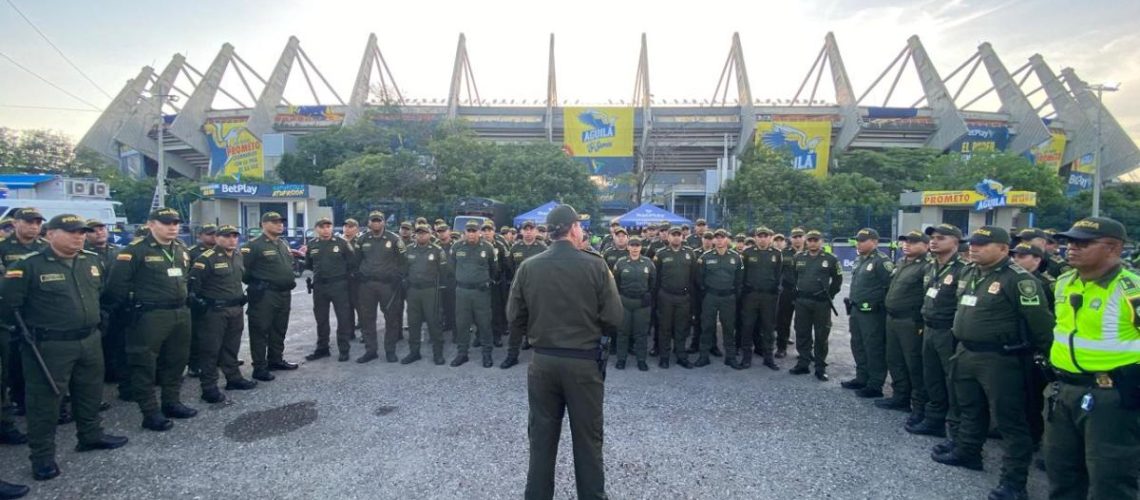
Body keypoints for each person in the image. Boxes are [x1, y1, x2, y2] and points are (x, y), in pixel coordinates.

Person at [507, 204, 622, 500]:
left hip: (543, 363)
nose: (581, 230)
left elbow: (514, 317)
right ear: (572, 228)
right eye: (580, 226)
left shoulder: (529, 266)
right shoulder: (595, 264)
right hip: (583, 366)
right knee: (588, 441)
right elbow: (613, 318)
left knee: (541, 440)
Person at [2, 214, 129, 481]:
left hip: (89, 340)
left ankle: (90, 435)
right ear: (50, 234)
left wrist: (100, 319)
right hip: (50, 345)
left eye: (81, 232)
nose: (78, 236)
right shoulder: (29, 266)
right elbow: (9, 307)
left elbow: (102, 295)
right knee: (45, 403)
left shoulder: (90, 261)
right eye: (71, 231)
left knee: (90, 392)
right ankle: (43, 457)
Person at [931, 226, 1053, 500]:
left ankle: (1014, 482)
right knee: (969, 407)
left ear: (1002, 248)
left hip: (1000, 358)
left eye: (982, 244)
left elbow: (1041, 325)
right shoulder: (971, 271)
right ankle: (968, 452)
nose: (973, 247)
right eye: (972, 243)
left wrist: (1049, 361)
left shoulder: (1018, 280)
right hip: (966, 351)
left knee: (1010, 420)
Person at [1045, 217, 1140, 500]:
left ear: (1113, 248)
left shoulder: (1130, 289)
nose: (1071, 248)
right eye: (1069, 242)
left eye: (1082, 243)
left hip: (1110, 395)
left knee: (1110, 478)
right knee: (1061, 472)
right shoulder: (1065, 282)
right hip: (1063, 390)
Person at [106, 207, 196, 432]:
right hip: (149, 315)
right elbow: (116, 286)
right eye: (166, 223)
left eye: (175, 223)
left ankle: (171, 402)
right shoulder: (135, 251)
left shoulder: (180, 249)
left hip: (179, 312)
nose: (173, 227)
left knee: (177, 360)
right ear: (151, 224)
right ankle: (150, 411)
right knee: (144, 363)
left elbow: (186, 277)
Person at [187, 225, 257, 403]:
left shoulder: (238, 255)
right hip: (214, 311)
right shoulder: (206, 259)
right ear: (217, 238)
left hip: (235, 309)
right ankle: (209, 387)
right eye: (227, 236)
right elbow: (194, 287)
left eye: (235, 236)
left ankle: (233, 378)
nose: (232, 239)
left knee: (231, 347)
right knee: (210, 350)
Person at [908, 224, 965, 442]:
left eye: (941, 238)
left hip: (948, 332)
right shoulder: (932, 267)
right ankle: (934, 419)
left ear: (955, 243)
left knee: (953, 381)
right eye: (932, 238)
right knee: (931, 377)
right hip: (930, 328)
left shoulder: (963, 269)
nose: (934, 241)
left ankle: (956, 432)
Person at [0, 208, 47, 436]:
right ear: (15, 223)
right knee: (8, 366)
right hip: (9, 315)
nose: (34, 226)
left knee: (33, 362)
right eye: (29, 222)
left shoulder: (45, 248)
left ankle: (29, 404)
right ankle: (8, 413)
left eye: (38, 222)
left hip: (36, 315)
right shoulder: (3, 248)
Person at [878, 231, 931, 429]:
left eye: (913, 242)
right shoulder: (902, 263)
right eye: (905, 242)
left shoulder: (927, 266)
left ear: (925, 246)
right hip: (893, 319)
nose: (907, 245)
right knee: (895, 360)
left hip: (911, 321)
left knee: (914, 364)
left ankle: (919, 407)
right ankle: (900, 397)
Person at [240, 212, 299, 380]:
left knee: (279, 328)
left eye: (281, 222)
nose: (280, 225)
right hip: (264, 294)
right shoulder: (253, 246)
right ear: (263, 224)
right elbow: (243, 271)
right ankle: (259, 367)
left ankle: (275, 359)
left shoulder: (283, 243)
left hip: (283, 293)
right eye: (274, 222)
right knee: (260, 330)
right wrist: (260, 284)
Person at [844, 228, 892, 395]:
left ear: (875, 242)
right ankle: (862, 377)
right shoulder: (859, 260)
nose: (859, 243)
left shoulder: (881, 261)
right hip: (857, 310)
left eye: (863, 240)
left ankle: (875, 384)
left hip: (873, 313)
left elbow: (889, 287)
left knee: (874, 348)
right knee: (858, 345)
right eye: (858, 240)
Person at [353, 211, 405, 363]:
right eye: (373, 221)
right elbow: (355, 261)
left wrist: (398, 276)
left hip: (387, 285)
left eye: (379, 220)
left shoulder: (394, 239)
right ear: (369, 223)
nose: (376, 223)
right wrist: (358, 275)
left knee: (391, 318)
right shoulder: (362, 239)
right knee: (367, 318)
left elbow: (404, 261)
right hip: (367, 285)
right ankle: (371, 350)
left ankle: (390, 350)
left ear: (383, 222)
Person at [789, 230, 842, 381]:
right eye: (810, 240)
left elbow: (837, 280)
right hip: (802, 302)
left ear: (821, 241)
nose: (813, 242)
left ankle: (820, 367)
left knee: (821, 335)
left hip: (821, 303)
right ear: (806, 241)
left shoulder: (830, 259)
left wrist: (829, 295)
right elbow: (794, 276)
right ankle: (803, 363)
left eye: (816, 240)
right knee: (802, 332)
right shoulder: (798, 257)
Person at [303, 217, 357, 363]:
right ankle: (322, 349)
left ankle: (344, 349)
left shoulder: (341, 243)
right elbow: (308, 265)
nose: (325, 229)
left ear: (332, 228)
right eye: (322, 227)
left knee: (343, 318)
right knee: (321, 319)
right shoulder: (312, 244)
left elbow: (353, 263)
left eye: (328, 226)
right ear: (316, 229)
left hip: (339, 285)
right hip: (320, 286)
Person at [450, 220, 498, 367]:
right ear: (465, 233)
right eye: (469, 231)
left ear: (479, 232)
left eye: (474, 231)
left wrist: (485, 281)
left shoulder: (488, 248)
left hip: (481, 292)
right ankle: (462, 353)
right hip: (462, 291)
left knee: (484, 323)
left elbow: (494, 269)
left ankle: (487, 354)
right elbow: (452, 268)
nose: (471, 234)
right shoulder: (457, 246)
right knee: (462, 323)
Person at [696, 229, 743, 368]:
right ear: (714, 240)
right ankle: (703, 356)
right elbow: (699, 278)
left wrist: (734, 294)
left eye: (723, 237)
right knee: (707, 326)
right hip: (711, 296)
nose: (720, 240)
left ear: (727, 239)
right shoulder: (705, 257)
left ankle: (731, 357)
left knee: (729, 327)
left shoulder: (736, 257)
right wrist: (706, 292)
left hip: (728, 297)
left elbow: (739, 280)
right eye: (717, 238)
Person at [502, 221, 547, 368]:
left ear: (536, 232)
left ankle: (541, 357)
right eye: (525, 229)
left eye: (531, 229)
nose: (528, 232)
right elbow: (509, 266)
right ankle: (512, 356)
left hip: (537, 291)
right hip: (519, 291)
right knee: (515, 322)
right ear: (521, 231)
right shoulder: (515, 247)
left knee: (539, 322)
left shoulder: (543, 248)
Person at [403, 224, 448, 365]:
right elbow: (404, 270)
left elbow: (444, 272)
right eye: (418, 233)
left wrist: (439, 290)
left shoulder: (437, 250)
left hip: (430, 291)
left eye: (424, 233)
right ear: (415, 235)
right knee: (413, 322)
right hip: (413, 291)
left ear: (430, 234)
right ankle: (414, 352)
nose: (421, 235)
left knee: (434, 322)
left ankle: (438, 354)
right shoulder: (409, 249)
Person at [653, 226, 696, 369]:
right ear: (668, 237)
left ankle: (681, 355)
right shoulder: (661, 254)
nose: (676, 237)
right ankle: (664, 357)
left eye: (679, 235)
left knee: (681, 328)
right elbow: (656, 278)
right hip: (666, 296)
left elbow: (693, 277)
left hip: (683, 297)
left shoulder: (690, 253)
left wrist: (690, 295)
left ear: (682, 237)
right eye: (673, 235)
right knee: (664, 327)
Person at [739, 227, 782, 370]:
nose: (762, 238)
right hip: (751, 296)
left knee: (768, 328)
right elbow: (741, 275)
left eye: (765, 236)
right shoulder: (747, 253)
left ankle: (768, 358)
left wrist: (776, 292)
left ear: (770, 238)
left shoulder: (776, 254)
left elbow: (779, 275)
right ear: (756, 238)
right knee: (748, 326)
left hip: (768, 297)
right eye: (760, 236)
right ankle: (746, 358)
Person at [612, 237, 656, 371]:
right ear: (628, 247)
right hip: (625, 301)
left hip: (642, 303)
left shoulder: (648, 263)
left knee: (641, 333)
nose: (635, 248)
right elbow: (616, 282)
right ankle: (621, 359)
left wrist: (648, 294)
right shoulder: (621, 263)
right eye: (632, 245)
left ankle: (641, 360)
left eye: (637, 245)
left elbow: (653, 282)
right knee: (623, 332)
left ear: (641, 247)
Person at [185, 224, 217, 379]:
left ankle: (217, 360)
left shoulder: (222, 251)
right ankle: (194, 364)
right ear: (200, 236)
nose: (213, 236)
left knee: (216, 333)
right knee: (197, 334)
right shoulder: (192, 252)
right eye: (210, 234)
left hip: (217, 299)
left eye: (215, 234)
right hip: (200, 299)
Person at [776, 227, 806, 358]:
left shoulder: (810, 253)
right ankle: (781, 348)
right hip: (787, 291)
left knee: (804, 323)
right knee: (783, 321)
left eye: (800, 236)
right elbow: (777, 272)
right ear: (791, 239)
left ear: (804, 238)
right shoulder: (784, 253)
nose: (798, 239)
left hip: (804, 293)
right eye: (795, 237)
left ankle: (804, 351)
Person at [434, 223, 457, 337]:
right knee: (439, 307)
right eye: (439, 231)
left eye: (444, 231)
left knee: (454, 306)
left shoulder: (456, 245)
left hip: (453, 280)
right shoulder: (434, 246)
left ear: (449, 231)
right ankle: (444, 327)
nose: (441, 233)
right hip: (439, 280)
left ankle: (455, 332)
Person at [342, 218, 362, 338]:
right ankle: (350, 332)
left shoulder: (360, 242)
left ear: (356, 229)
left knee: (360, 306)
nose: (347, 229)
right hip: (343, 279)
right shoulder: (338, 242)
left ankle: (365, 333)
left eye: (350, 227)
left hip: (357, 280)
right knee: (347, 307)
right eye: (345, 226)